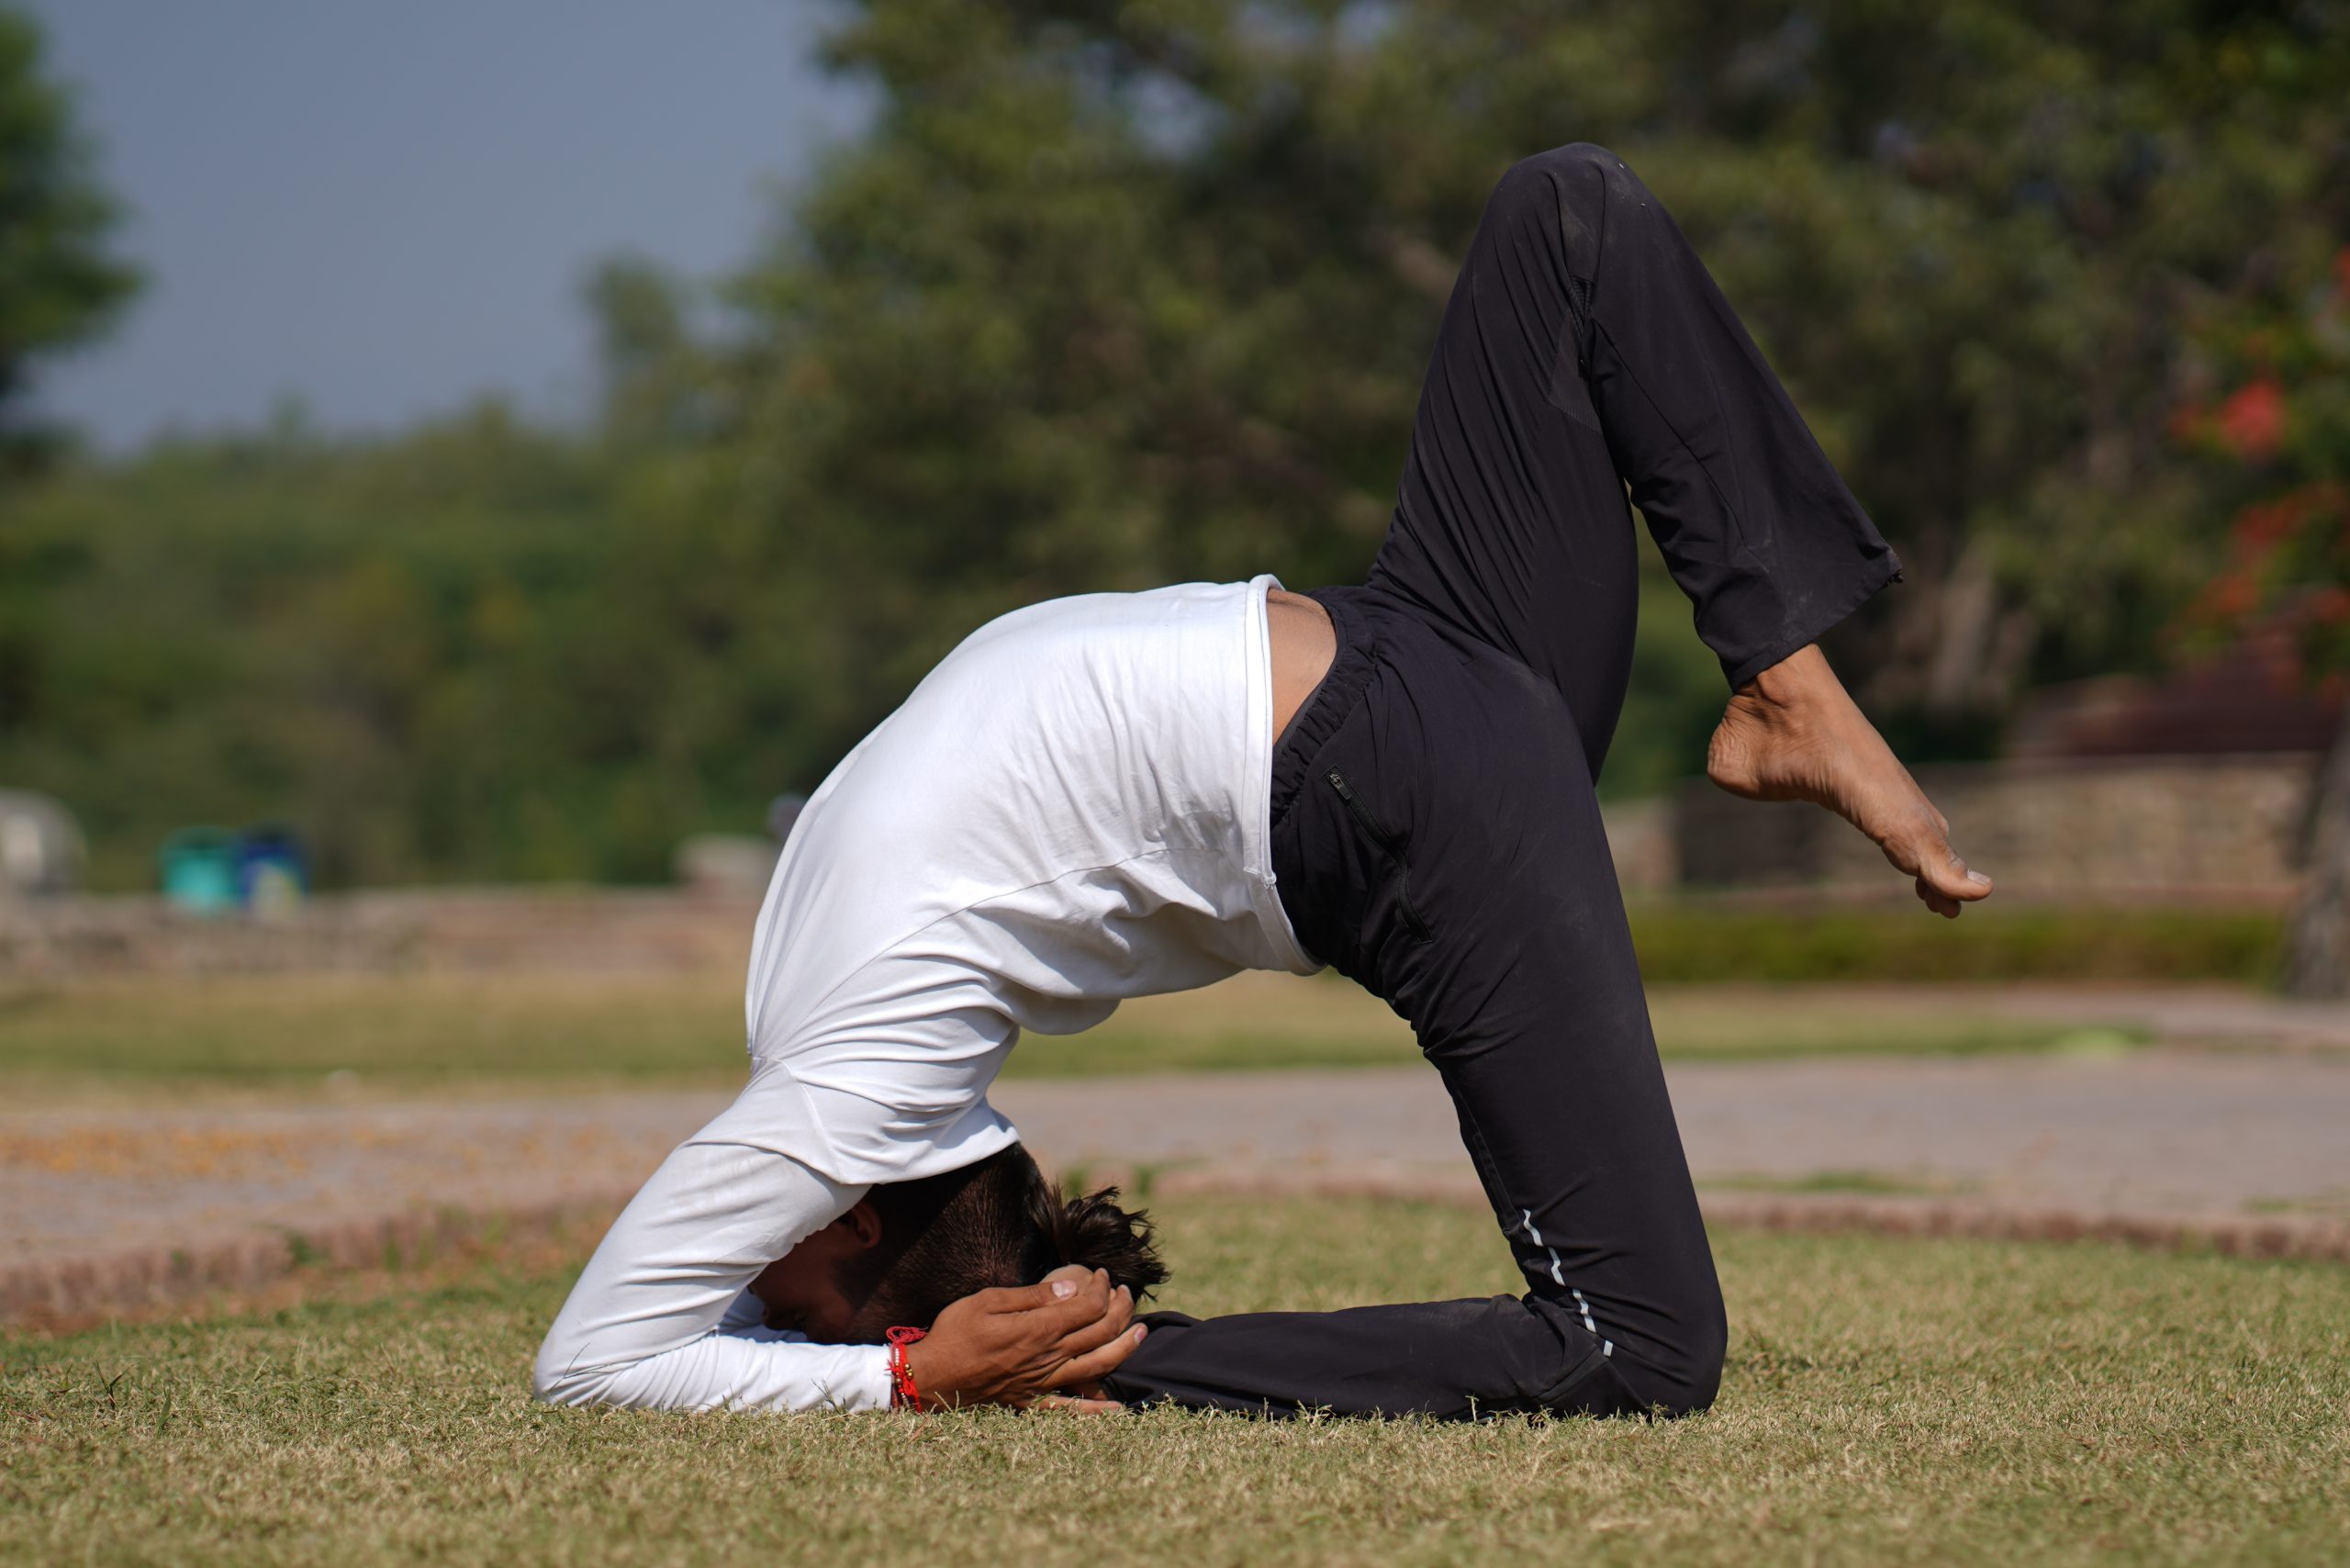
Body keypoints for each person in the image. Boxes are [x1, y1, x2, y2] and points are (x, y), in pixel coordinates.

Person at [532, 142, 1990, 1420]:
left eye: (774, 1314)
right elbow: (636, 1343)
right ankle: (1784, 677)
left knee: (1570, 215)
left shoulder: (845, 1087)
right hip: (1405, 715)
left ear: (851, 1224)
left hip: (1418, 706)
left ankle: (1784, 683)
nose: (749, 1291)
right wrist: (918, 1365)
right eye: (782, 1318)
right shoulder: (853, 1078)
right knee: (1565, 209)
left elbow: (606, 1357)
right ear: (856, 1225)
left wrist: (899, 1372)